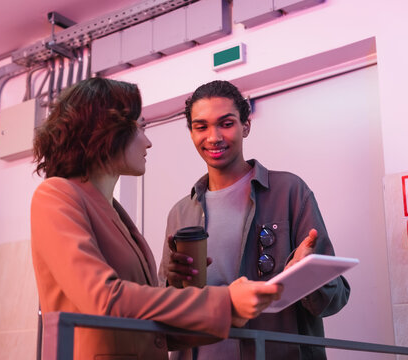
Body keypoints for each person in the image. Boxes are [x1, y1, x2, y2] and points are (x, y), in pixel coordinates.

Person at [30, 77, 284, 360]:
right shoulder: (55, 194)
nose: (147, 141)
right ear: (107, 133)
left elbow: (149, 329)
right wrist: (224, 302)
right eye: (139, 127)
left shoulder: (113, 211)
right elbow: (103, 298)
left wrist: (230, 312)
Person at [159, 80, 351, 360]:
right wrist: (172, 285)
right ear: (191, 133)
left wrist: (308, 275)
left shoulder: (289, 191)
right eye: (201, 127)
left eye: (226, 123)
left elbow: (336, 298)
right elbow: (162, 310)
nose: (213, 137)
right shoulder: (180, 213)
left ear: (246, 126)